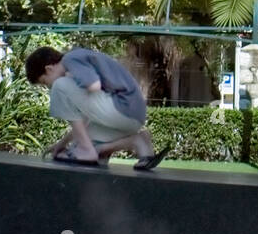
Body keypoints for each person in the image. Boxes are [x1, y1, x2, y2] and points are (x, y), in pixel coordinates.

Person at [25, 45, 169, 171]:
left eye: (45, 82)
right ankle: (138, 141)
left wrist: (71, 80)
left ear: (49, 69)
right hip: (131, 116)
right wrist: (62, 143)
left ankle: (87, 150)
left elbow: (94, 86)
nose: (48, 86)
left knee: (60, 86)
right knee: (81, 147)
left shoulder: (70, 59)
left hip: (122, 107)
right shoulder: (76, 60)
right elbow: (85, 120)